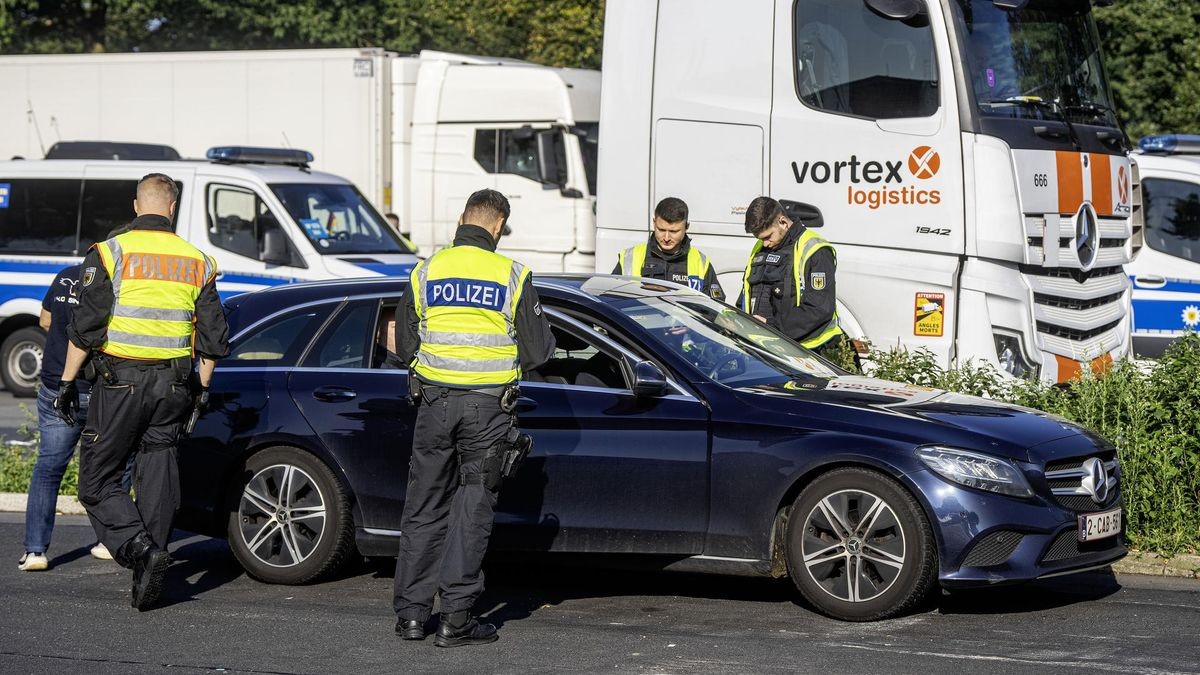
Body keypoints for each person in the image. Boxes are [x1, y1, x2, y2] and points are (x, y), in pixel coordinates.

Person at [54, 173, 230, 610]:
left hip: (121, 384)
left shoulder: (112, 252)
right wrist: (202, 391)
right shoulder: (198, 261)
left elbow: (87, 328)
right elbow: (212, 338)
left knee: (96, 480)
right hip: (174, 386)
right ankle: (150, 570)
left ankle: (138, 549)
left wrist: (65, 381)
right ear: (171, 208)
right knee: (157, 473)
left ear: (137, 206)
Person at [393, 188, 554, 647]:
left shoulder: (426, 271)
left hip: (433, 405)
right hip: (487, 411)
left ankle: (411, 616)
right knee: (471, 508)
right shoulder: (512, 274)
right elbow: (540, 350)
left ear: (463, 217)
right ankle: (455, 619)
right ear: (499, 225)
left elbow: (406, 346)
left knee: (424, 507)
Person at [18, 263, 112, 570]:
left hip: (56, 385)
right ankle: (108, 541)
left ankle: (35, 551)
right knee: (108, 470)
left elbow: (45, 320)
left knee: (48, 469)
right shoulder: (119, 280)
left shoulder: (65, 275)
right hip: (99, 389)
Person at [739, 196, 844, 358]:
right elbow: (747, 293)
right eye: (760, 239)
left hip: (809, 351)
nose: (765, 243)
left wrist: (771, 326)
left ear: (783, 222)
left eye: (768, 236)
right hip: (766, 348)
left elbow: (819, 309)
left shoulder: (815, 249)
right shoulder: (761, 247)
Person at [613, 197, 724, 301]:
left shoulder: (700, 262)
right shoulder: (630, 257)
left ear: (687, 227)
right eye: (661, 230)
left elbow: (715, 307)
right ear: (654, 223)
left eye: (673, 232)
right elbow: (611, 299)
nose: (666, 238)